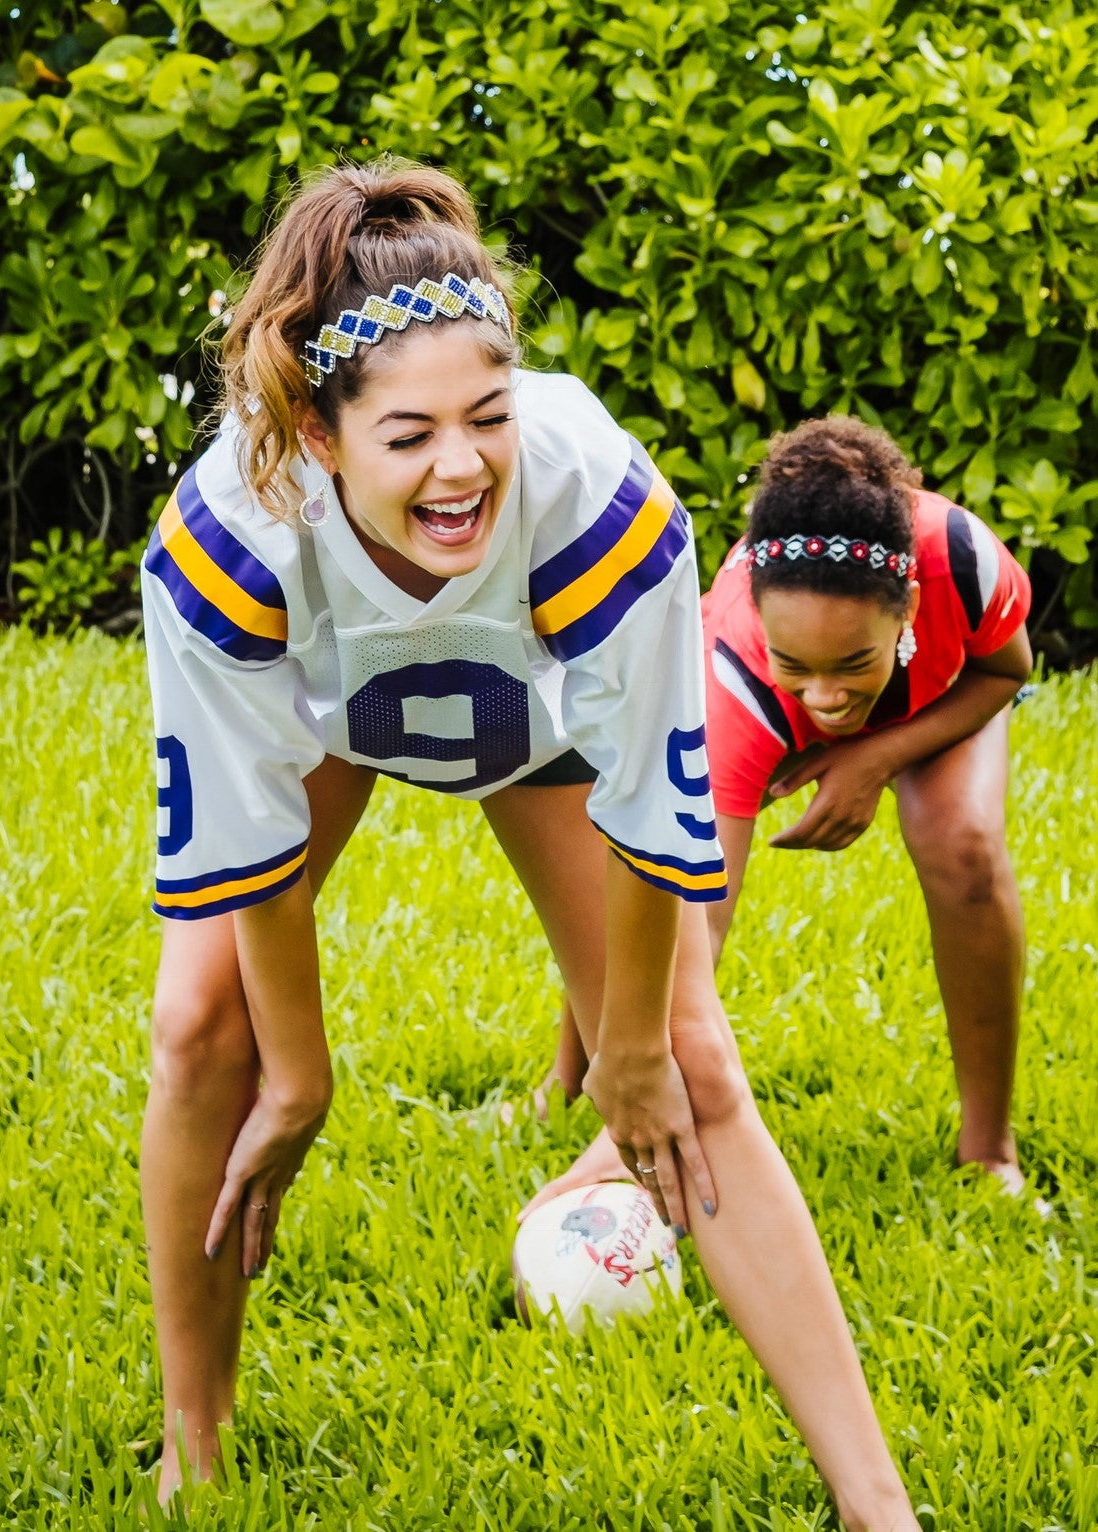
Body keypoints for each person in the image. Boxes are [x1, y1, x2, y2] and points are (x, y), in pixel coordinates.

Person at [138, 160, 920, 1530]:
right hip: (332, 723)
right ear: (320, 439)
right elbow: (242, 844)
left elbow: (655, 811)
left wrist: (624, 1043)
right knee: (205, 1025)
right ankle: (191, 1452)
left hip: (540, 724)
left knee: (689, 1057)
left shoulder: (603, 505)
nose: (461, 464)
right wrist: (302, 1076)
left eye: (488, 416)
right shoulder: (226, 541)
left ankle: (876, 1508)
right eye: (410, 434)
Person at [527, 415, 1036, 1209]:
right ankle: (574, 1077)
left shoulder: (965, 561)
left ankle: (988, 1151)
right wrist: (619, 1139)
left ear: (905, 608)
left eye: (848, 666)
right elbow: (697, 922)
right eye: (796, 664)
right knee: (643, 876)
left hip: (933, 689)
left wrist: (870, 758)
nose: (827, 698)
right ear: (759, 618)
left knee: (961, 846)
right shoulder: (726, 678)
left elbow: (1005, 670)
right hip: (754, 705)